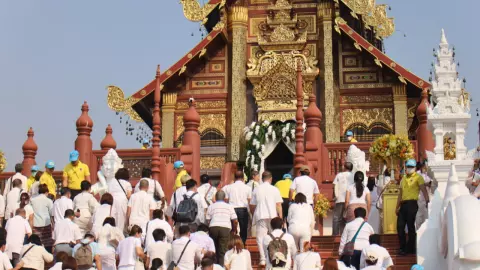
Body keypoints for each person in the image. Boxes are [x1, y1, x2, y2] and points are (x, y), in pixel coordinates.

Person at [250, 171, 283, 267]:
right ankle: (275, 257)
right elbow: (278, 204)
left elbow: (252, 205)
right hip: (273, 216)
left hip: (260, 215)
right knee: (274, 237)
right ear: (271, 178)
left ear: (261, 178)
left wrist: (253, 215)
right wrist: (280, 217)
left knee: (260, 238)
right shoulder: (274, 189)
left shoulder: (257, 189)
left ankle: (263, 259)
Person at [396, 159, 429, 255]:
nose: (409, 169)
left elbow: (423, 190)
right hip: (403, 204)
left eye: (411, 167)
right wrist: (396, 207)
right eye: (408, 167)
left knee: (411, 227)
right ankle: (402, 247)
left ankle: (411, 248)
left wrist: (427, 201)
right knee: (400, 226)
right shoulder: (403, 178)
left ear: (415, 168)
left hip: (412, 204)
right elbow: (400, 194)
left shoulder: (418, 177)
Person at [206, 190, 237, 266]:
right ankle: (221, 266)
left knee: (214, 248)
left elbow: (207, 220)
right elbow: (235, 220)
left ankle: (213, 266)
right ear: (224, 198)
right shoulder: (229, 206)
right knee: (223, 250)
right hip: (225, 228)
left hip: (213, 227)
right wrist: (234, 230)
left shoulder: (211, 206)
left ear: (216, 198)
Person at [223, 171, 251, 244]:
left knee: (232, 228)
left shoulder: (229, 187)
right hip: (243, 209)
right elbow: (249, 200)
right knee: (243, 228)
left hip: (232, 209)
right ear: (243, 178)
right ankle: (242, 244)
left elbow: (226, 200)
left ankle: (232, 243)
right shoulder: (247, 188)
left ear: (234, 178)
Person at [30, 184, 54, 252]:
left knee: (36, 244)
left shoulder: (33, 200)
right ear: (46, 192)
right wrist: (53, 225)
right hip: (46, 225)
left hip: (36, 224)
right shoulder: (49, 201)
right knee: (47, 245)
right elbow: (52, 214)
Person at [108, 168, 133, 233]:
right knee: (121, 221)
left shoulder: (111, 182)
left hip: (112, 201)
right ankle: (119, 235)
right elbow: (129, 195)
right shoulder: (127, 183)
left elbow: (109, 193)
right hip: (122, 201)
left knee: (113, 218)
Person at [333, 162, 354, 236]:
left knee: (337, 218)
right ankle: (348, 235)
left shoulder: (339, 175)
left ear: (345, 167)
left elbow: (335, 186)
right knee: (349, 218)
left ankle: (335, 235)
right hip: (351, 200)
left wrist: (335, 196)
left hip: (340, 199)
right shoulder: (353, 175)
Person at [415, 161, 432, 230]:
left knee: (426, 216)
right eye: (425, 165)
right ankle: (418, 231)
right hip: (419, 198)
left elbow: (431, 183)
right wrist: (425, 184)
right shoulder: (417, 174)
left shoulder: (427, 174)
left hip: (426, 198)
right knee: (419, 216)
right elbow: (419, 184)